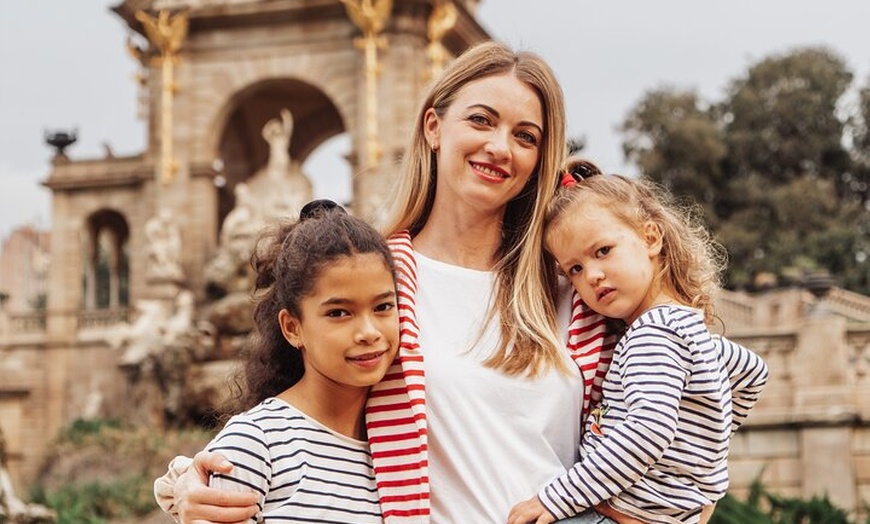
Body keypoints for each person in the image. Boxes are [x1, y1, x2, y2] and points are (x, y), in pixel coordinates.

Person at [154, 41, 760, 524]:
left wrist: (695, 498)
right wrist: (184, 483)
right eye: (482, 120)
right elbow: (300, 407)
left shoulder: (577, 289)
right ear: (434, 127)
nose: (501, 146)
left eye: (526, 136)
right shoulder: (375, 282)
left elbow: (696, 389)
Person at [508, 162, 768, 524]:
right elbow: (754, 372)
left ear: (650, 238)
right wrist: (707, 470)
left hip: (615, 514)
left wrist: (555, 500)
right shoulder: (690, 330)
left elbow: (647, 428)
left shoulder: (654, 333)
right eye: (575, 270)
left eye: (602, 251)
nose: (592, 275)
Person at [164, 199, 399, 522]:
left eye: (383, 307)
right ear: (292, 328)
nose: (369, 332)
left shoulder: (404, 445)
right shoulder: (255, 445)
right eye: (339, 313)